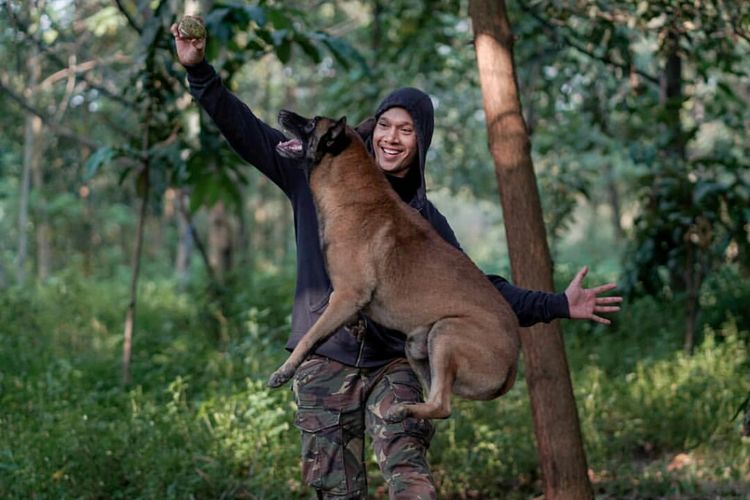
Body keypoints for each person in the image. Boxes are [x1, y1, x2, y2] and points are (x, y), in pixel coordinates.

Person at [172, 23, 622, 500]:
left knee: (410, 477)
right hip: (327, 361)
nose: (391, 138)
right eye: (385, 124)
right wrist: (199, 71)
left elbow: (477, 290)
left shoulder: (423, 219)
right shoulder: (315, 174)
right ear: (370, 128)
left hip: (396, 362)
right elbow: (247, 133)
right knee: (334, 490)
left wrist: (556, 305)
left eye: (406, 130)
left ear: (420, 143)